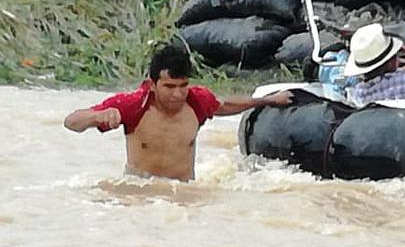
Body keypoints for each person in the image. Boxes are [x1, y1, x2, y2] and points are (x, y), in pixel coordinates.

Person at [63, 44, 292, 181]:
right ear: (151, 84)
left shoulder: (197, 100)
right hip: (141, 190)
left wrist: (268, 100)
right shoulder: (133, 105)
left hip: (183, 190)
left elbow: (225, 106)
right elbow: (71, 122)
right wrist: (96, 116)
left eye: (183, 86)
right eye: (169, 87)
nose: (177, 94)